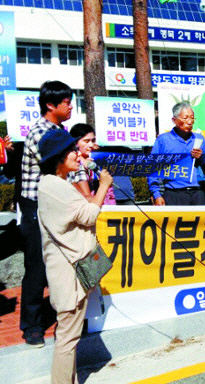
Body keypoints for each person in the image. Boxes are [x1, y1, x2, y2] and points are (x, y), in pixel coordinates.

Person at [37, 129, 113, 384]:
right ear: (58, 157)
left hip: (71, 272)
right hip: (68, 276)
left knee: (69, 337)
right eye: (71, 150)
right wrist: (103, 186)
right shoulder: (54, 186)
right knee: (67, 340)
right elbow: (89, 214)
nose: (77, 154)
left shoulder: (56, 185)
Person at [19, 80, 85, 347]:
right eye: (67, 102)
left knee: (62, 262)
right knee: (37, 266)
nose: (71, 106)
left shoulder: (60, 131)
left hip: (59, 204)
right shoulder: (40, 133)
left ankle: (67, 315)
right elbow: (65, 166)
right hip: (37, 206)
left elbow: (76, 166)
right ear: (50, 105)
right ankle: (32, 326)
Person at [148, 102, 205, 205]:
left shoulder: (199, 139)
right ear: (174, 120)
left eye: (192, 118)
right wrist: (156, 194)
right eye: (185, 118)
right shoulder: (163, 140)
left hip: (198, 193)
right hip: (173, 193)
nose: (189, 122)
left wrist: (201, 157)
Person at [67, 123, 116, 205]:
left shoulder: (96, 162)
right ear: (75, 143)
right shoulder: (75, 164)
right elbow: (86, 196)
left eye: (93, 141)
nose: (91, 145)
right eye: (86, 141)